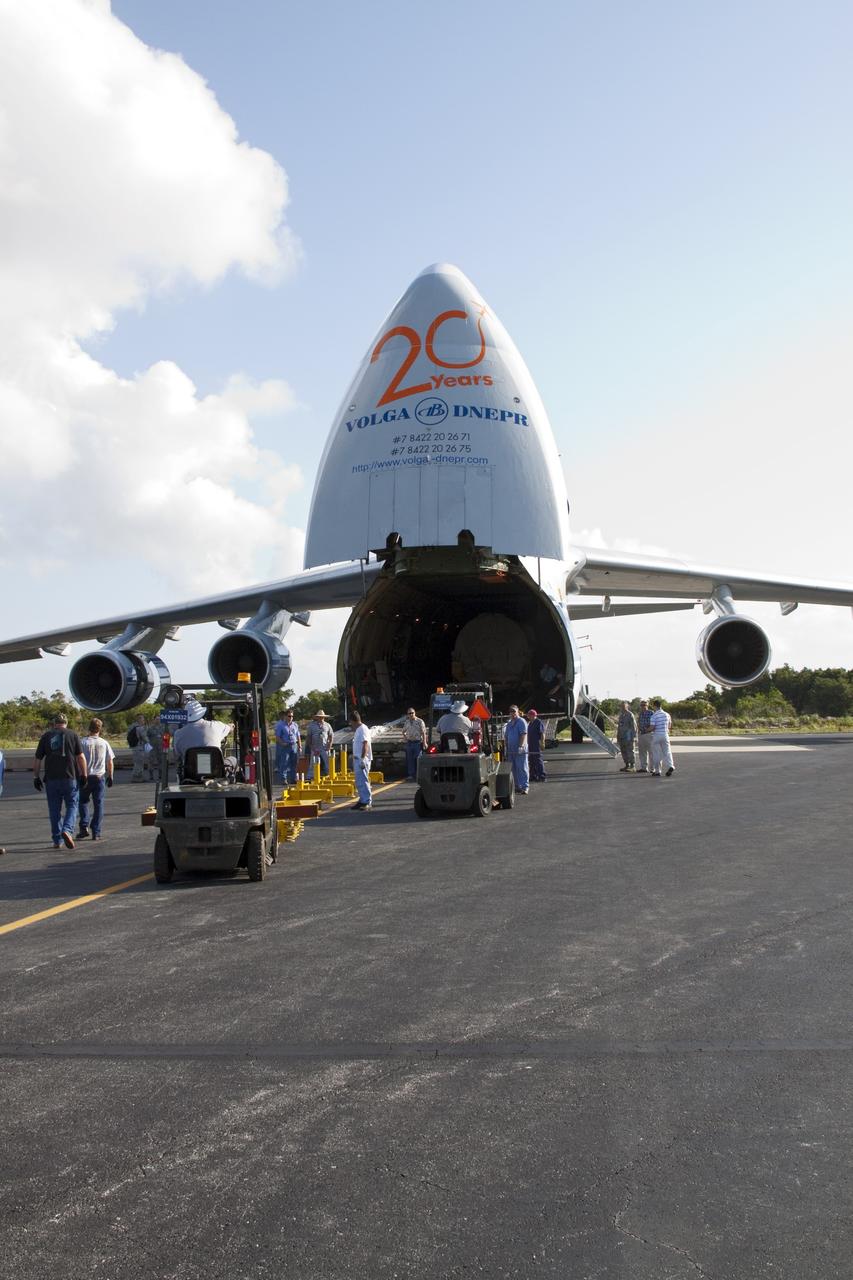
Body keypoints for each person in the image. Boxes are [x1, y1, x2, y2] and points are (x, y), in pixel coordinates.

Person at [33, 711, 87, 849]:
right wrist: (84, 775)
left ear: (54, 724)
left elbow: (38, 759)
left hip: (51, 779)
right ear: (66, 723)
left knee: (54, 810)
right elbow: (80, 757)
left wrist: (36, 777)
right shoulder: (73, 735)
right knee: (72, 805)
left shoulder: (46, 736)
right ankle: (67, 830)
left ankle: (57, 840)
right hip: (70, 777)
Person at [78, 717, 115, 842]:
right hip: (99, 777)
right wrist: (110, 776)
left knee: (83, 801)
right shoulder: (104, 743)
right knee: (98, 804)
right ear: (100, 729)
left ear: (89, 728)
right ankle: (96, 831)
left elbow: (78, 759)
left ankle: (84, 826)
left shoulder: (82, 742)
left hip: (85, 776)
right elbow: (109, 761)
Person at [172, 699, 232, 767]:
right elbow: (230, 729)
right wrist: (231, 725)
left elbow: (176, 756)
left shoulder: (178, 734)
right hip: (215, 770)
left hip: (190, 772)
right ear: (202, 713)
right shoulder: (216, 726)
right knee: (233, 760)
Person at [503, 704, 529, 795]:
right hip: (511, 749)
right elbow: (506, 737)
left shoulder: (521, 721)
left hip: (519, 748)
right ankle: (517, 786)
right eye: (511, 711)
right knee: (513, 768)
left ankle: (525, 786)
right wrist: (506, 748)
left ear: (517, 712)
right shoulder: (509, 724)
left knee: (522, 767)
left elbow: (523, 734)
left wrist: (521, 746)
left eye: (514, 711)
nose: (512, 713)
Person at [349, 711, 373, 811]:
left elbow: (365, 744)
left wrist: (363, 759)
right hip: (358, 759)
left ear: (353, 721)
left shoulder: (363, 729)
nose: (350, 724)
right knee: (359, 782)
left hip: (362, 760)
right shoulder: (359, 729)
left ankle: (367, 801)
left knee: (364, 780)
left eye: (350, 722)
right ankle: (362, 800)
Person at [274, 708, 301, 785]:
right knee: (284, 763)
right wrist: (282, 743)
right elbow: (277, 737)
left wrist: (300, 746)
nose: (291, 718)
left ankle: (293, 779)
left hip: (294, 745)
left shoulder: (295, 725)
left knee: (294, 763)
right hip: (285, 746)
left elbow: (298, 735)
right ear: (285, 716)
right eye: (289, 716)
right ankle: (283, 779)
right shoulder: (280, 725)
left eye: (292, 716)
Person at [650, 699, 675, 777]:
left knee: (656, 754)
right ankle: (671, 766)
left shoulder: (654, 715)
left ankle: (657, 771)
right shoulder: (667, 714)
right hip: (665, 735)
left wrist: (645, 730)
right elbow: (669, 726)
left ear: (654, 706)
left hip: (657, 735)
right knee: (667, 752)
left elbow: (652, 727)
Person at [305, 709, 334, 777]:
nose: (321, 718)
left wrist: (329, 745)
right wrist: (312, 747)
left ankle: (330, 775)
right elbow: (309, 737)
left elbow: (331, 735)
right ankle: (310, 776)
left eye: (322, 717)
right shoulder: (311, 726)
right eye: (320, 717)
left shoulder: (327, 725)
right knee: (313, 762)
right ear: (317, 717)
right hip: (315, 747)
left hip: (325, 747)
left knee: (328, 762)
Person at [403, 706, 427, 780]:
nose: (411, 714)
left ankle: (419, 774)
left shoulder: (420, 721)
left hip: (417, 742)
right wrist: (405, 738)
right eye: (409, 713)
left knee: (418, 758)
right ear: (407, 714)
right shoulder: (406, 722)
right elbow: (403, 731)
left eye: (412, 713)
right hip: (409, 742)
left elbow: (423, 732)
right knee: (410, 759)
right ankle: (411, 774)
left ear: (415, 713)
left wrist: (424, 742)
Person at [128, 713, 152, 782]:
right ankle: (136, 778)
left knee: (137, 763)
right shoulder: (140, 728)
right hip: (139, 747)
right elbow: (145, 737)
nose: (143, 720)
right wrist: (149, 742)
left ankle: (139, 777)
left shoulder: (132, 727)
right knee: (139, 763)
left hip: (135, 747)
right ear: (139, 719)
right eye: (142, 719)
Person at [526, 709, 547, 781]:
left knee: (538, 760)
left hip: (536, 743)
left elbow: (542, 733)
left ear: (533, 715)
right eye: (528, 715)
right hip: (531, 744)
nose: (529, 716)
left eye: (530, 715)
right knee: (531, 760)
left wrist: (542, 743)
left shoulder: (538, 722)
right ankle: (533, 775)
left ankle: (542, 776)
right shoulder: (530, 723)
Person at [616, 701, 637, 772]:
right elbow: (619, 726)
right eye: (621, 706)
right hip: (622, 736)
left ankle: (632, 766)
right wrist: (618, 736)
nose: (622, 707)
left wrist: (634, 736)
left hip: (628, 736)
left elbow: (634, 726)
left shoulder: (630, 714)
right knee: (623, 751)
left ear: (627, 706)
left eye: (624, 706)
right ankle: (627, 765)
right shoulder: (621, 715)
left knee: (630, 751)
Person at [636, 699, 654, 773]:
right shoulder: (640, 713)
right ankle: (644, 768)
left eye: (644, 705)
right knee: (642, 752)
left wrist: (647, 730)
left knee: (651, 752)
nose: (643, 706)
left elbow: (653, 724)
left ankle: (652, 769)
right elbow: (639, 723)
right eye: (641, 705)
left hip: (649, 734)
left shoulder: (651, 713)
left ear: (647, 705)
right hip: (641, 734)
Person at [146, 714, 164, 783]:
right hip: (152, 747)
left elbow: (166, 735)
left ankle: (161, 775)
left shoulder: (163, 727)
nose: (158, 720)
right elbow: (146, 736)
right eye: (156, 719)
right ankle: (151, 775)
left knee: (161, 761)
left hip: (161, 747)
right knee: (151, 761)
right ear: (154, 720)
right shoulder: (150, 728)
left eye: (159, 719)